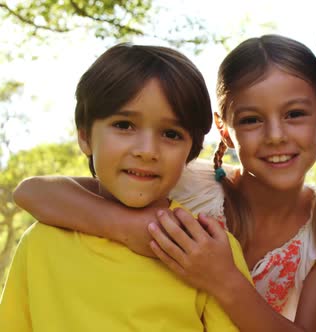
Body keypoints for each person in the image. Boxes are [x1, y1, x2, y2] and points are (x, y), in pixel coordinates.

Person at [13, 35, 316, 331]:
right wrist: (132, 227)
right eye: (250, 119)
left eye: (294, 114)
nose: (276, 136)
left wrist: (223, 279)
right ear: (224, 130)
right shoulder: (185, 181)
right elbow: (34, 192)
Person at [0, 43, 252, 331]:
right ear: (84, 136)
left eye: (171, 133)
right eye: (124, 125)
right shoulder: (41, 242)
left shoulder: (207, 247)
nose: (147, 151)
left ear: (190, 152)